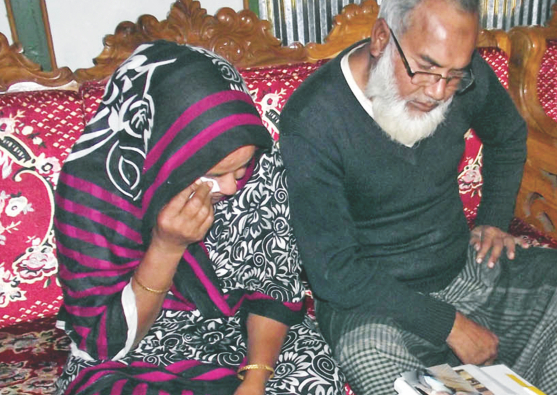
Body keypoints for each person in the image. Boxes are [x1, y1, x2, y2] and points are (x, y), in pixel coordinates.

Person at [278, 0, 557, 395]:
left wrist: (494, 218)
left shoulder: (463, 77)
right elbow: (335, 273)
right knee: (371, 356)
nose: (438, 92)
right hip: (374, 305)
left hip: (462, 270)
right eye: (425, 69)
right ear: (383, 36)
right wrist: (451, 326)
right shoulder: (314, 118)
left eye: (454, 75)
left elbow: (509, 135)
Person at [54, 40, 346, 395]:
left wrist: (255, 380)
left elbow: (273, 293)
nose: (230, 188)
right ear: (165, 154)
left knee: (315, 379)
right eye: (212, 173)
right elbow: (107, 343)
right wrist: (167, 247)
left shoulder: (260, 164)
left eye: (238, 172)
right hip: (135, 350)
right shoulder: (96, 188)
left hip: (243, 331)